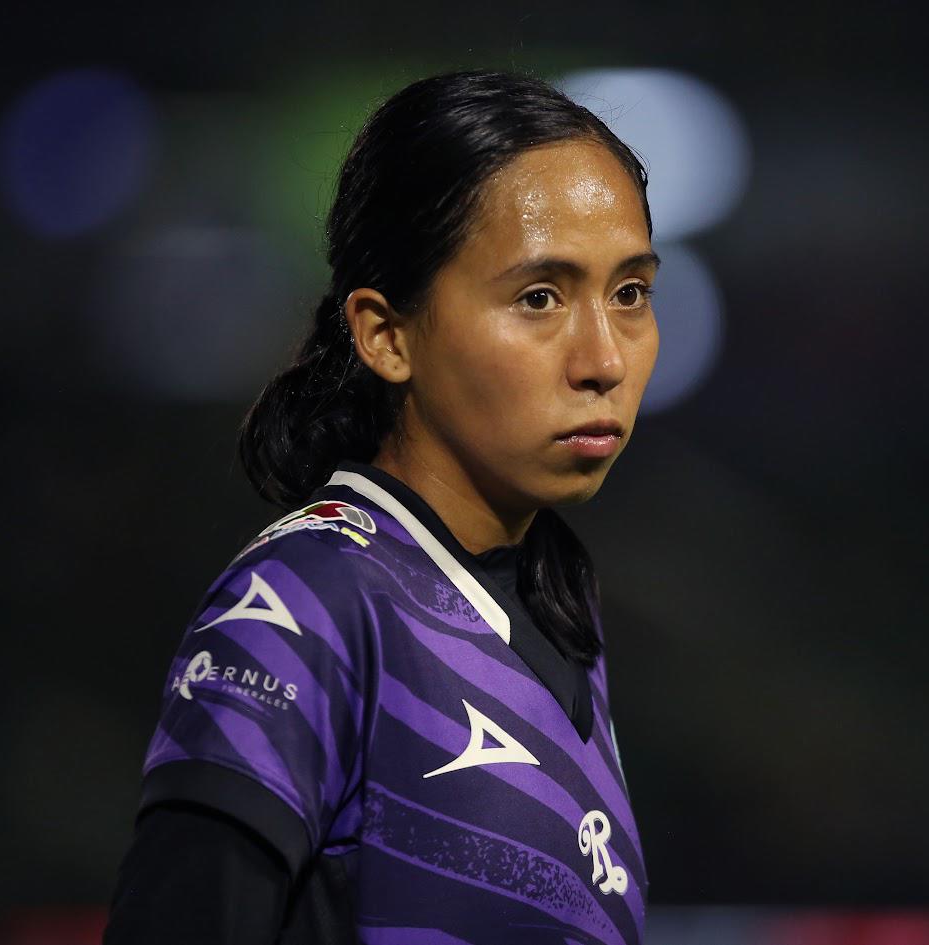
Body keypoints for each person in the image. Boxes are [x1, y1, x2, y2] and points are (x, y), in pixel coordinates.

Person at [102, 67, 660, 945]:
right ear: (385, 333)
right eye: (539, 297)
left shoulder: (556, 603)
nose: (603, 358)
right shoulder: (304, 603)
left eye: (629, 293)